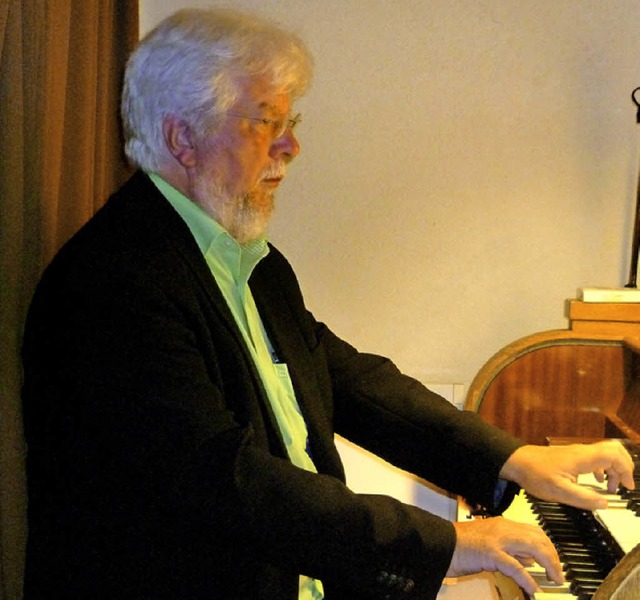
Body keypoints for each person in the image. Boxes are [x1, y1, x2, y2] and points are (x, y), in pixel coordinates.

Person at [21, 8, 635, 600]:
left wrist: (512, 458)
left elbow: (348, 382)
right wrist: (444, 543)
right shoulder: (114, 283)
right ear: (183, 137)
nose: (289, 147)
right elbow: (226, 481)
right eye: (266, 122)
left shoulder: (242, 258)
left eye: (292, 123)